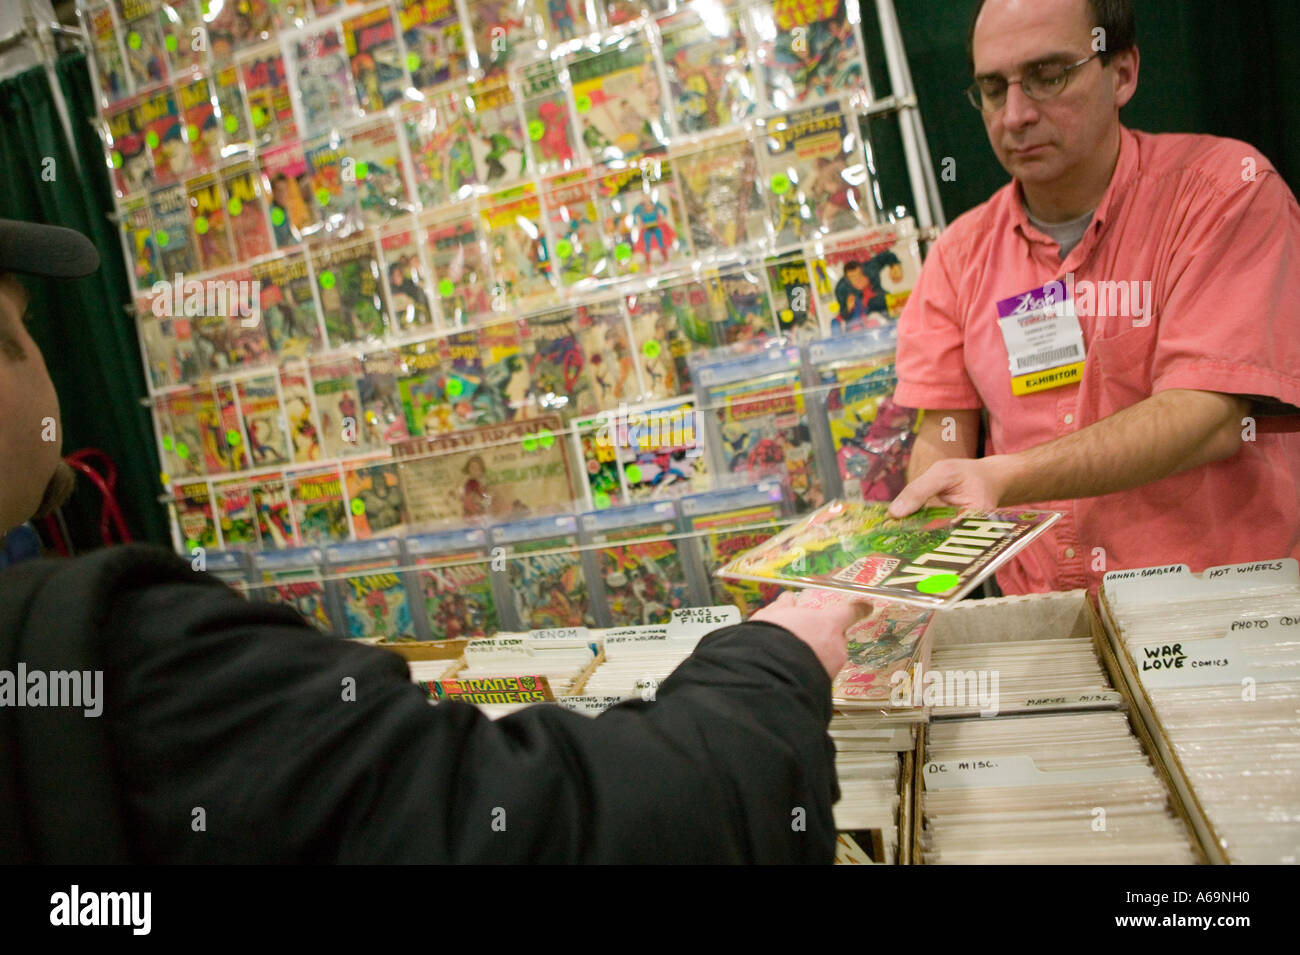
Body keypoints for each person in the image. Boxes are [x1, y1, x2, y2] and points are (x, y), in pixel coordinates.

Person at [0, 219, 860, 863]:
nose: (39, 355)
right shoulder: (122, 655)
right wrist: (773, 661)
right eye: (22, 323)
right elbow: (526, 826)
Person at [889, 0, 1300, 594]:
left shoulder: (1223, 193)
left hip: (1214, 621)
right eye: (992, 89)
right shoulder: (958, 254)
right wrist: (915, 531)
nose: (1016, 115)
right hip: (1045, 629)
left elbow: (1208, 416)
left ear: (1123, 73)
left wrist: (1007, 476)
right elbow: (944, 428)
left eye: (1048, 76)